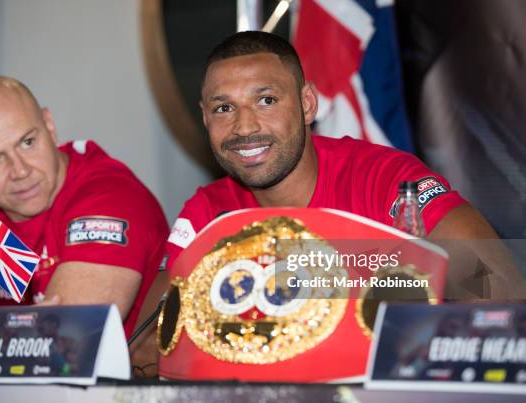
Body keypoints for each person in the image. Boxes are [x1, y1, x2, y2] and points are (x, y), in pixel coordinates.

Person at [164, 31, 524, 299]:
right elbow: (154, 339)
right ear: (205, 118)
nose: (244, 127)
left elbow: (498, 286)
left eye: (266, 100)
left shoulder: (384, 180)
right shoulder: (207, 213)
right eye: (223, 108)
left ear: (307, 105)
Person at [0, 76, 169, 357]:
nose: (20, 171)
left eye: (27, 142)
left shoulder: (109, 196)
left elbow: (65, 344)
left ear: (49, 125)